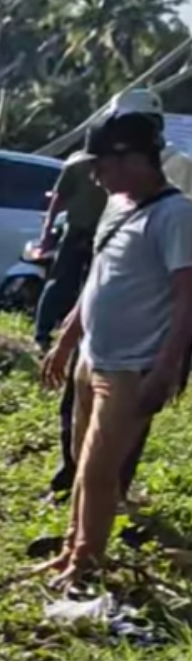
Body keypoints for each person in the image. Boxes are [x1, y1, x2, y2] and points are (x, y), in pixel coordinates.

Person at [37, 112, 192, 586]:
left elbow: (188, 295)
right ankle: (70, 551)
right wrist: (66, 340)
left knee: (101, 469)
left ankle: (86, 562)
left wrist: (166, 368)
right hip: (93, 357)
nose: (96, 176)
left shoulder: (176, 214)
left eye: (102, 165)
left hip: (132, 368)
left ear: (133, 159)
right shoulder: (116, 205)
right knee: (83, 463)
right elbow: (96, 282)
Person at [34, 149, 109, 496]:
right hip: (78, 236)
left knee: (113, 430)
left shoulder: (161, 203)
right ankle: (71, 474)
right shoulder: (81, 166)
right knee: (59, 286)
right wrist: (63, 342)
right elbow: (91, 289)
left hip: (132, 347)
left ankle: (105, 493)